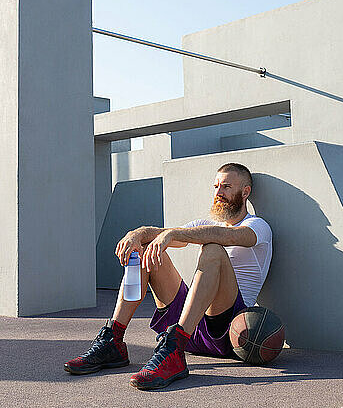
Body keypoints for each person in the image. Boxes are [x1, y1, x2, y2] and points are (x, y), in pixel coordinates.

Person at [64, 162, 273, 390]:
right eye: (216, 186)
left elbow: (230, 236)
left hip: (226, 328)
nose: (218, 193)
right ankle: (113, 340)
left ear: (245, 192)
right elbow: (168, 236)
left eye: (226, 186)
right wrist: (138, 234)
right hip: (190, 325)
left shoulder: (257, 226)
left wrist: (173, 233)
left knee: (212, 247)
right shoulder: (206, 224)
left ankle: (174, 349)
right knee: (147, 247)